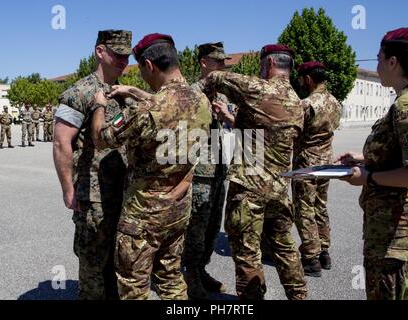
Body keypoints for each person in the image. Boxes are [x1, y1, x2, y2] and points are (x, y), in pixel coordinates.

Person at [91, 33, 212, 300]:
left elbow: (101, 138)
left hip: (143, 215)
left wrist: (100, 106)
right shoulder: (201, 101)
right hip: (179, 208)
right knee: (170, 277)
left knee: (134, 284)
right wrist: (134, 91)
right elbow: (171, 104)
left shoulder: (144, 111)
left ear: (149, 65)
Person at [204, 44, 308, 300]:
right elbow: (263, 133)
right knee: (286, 250)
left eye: (262, 66)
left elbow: (216, 77)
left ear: (269, 65)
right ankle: (300, 296)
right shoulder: (297, 102)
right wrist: (231, 118)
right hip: (279, 190)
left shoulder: (259, 89)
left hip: (250, 193)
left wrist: (206, 95)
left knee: (248, 254)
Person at [338, 27, 408, 300]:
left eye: (379, 58)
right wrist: (365, 158)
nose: (377, 65)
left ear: (393, 62)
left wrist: (368, 178)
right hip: (403, 232)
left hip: (398, 236)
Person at [53, 29, 132, 300]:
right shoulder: (79, 93)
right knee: (93, 262)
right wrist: (68, 189)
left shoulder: (124, 94)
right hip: (93, 194)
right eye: (117, 54)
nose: (123, 60)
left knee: (118, 259)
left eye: (127, 56)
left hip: (123, 191)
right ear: (100, 52)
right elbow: (61, 143)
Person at [182, 42, 235, 299]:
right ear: (204, 62)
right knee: (196, 228)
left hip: (219, 171)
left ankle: (201, 269)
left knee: (213, 226)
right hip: (199, 173)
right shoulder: (191, 93)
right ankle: (189, 276)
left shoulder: (224, 96)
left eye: (224, 62)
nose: (223, 66)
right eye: (219, 61)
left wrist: (227, 116)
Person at [292, 61, 341, 276]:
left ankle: (311, 259)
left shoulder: (308, 104)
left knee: (304, 209)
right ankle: (324, 252)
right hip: (326, 162)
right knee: (320, 206)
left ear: (308, 79)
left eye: (302, 79)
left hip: (307, 163)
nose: (301, 82)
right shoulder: (335, 103)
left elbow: (294, 133)